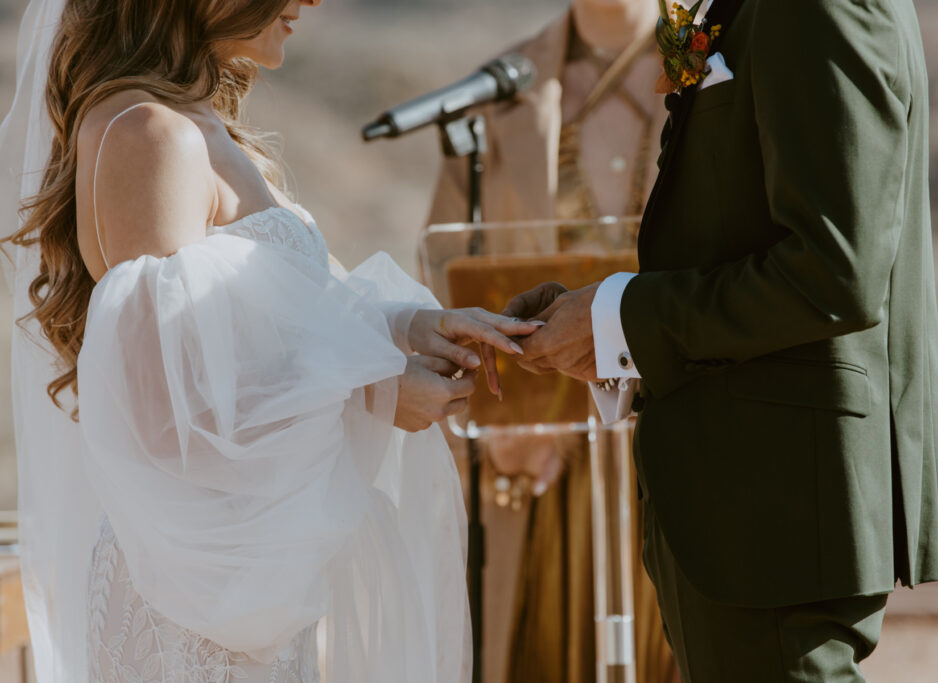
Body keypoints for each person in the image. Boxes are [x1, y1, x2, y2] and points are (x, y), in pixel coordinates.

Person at [0, 0, 542, 681]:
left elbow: (266, 329)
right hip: (186, 608)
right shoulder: (150, 135)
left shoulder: (197, 127)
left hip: (233, 582)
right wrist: (374, 393)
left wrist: (409, 327)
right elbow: (169, 408)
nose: (314, 1)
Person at [506, 0, 938, 681]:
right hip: (751, 500)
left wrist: (627, 318)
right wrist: (601, 323)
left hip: (776, 510)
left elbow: (834, 272)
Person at [427, 1, 678, 682]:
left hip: (685, 451)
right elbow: (445, 291)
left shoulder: (719, 67)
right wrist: (493, 427)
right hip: (538, 463)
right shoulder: (499, 89)